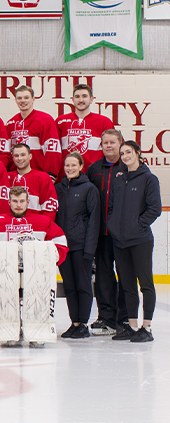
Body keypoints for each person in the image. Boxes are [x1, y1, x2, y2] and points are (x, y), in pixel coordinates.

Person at [0, 186, 68, 347]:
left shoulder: (43, 221)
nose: (18, 205)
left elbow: (60, 240)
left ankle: (37, 330)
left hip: (34, 272)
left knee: (38, 286)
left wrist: (53, 257)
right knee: (3, 286)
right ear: (9, 202)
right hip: (5, 272)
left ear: (28, 202)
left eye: (22, 201)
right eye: (14, 201)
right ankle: (7, 329)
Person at [106, 141, 161, 342]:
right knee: (127, 285)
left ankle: (146, 328)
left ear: (138, 153)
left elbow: (155, 208)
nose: (125, 156)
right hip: (120, 240)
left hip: (140, 240)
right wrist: (112, 225)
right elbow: (111, 206)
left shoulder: (149, 179)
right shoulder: (119, 179)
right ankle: (132, 325)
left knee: (146, 284)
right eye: (122, 153)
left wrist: (137, 225)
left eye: (128, 152)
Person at [86, 129, 128, 335]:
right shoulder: (94, 170)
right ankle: (106, 317)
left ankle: (125, 318)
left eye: (112, 142)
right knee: (103, 275)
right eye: (105, 143)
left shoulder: (130, 168)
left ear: (120, 143)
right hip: (101, 233)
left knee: (125, 274)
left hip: (123, 234)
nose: (108, 146)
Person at [54, 152, 100, 339]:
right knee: (70, 286)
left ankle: (83, 323)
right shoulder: (58, 188)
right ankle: (74, 323)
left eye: (74, 165)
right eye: (67, 165)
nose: (70, 168)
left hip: (81, 246)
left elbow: (94, 221)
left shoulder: (89, 189)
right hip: (65, 247)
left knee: (83, 285)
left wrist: (90, 249)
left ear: (81, 166)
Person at [55, 83, 114, 176]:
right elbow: (54, 152)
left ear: (91, 99)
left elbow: (113, 150)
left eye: (84, 96)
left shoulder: (104, 122)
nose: (81, 100)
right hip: (67, 176)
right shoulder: (61, 121)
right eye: (77, 96)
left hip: (94, 176)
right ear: (72, 100)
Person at [5, 85, 62, 179]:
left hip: (39, 176)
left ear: (33, 99)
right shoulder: (10, 123)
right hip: (17, 177)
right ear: (15, 100)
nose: (23, 101)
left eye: (26, 97)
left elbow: (52, 149)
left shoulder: (44, 120)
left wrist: (51, 173)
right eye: (19, 98)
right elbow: (8, 152)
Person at [6, 143, 58, 221]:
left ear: (30, 156)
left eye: (23, 155)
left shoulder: (43, 177)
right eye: (16, 156)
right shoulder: (6, 177)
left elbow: (49, 208)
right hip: (10, 226)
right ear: (12, 158)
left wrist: (44, 227)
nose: (19, 158)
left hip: (35, 226)